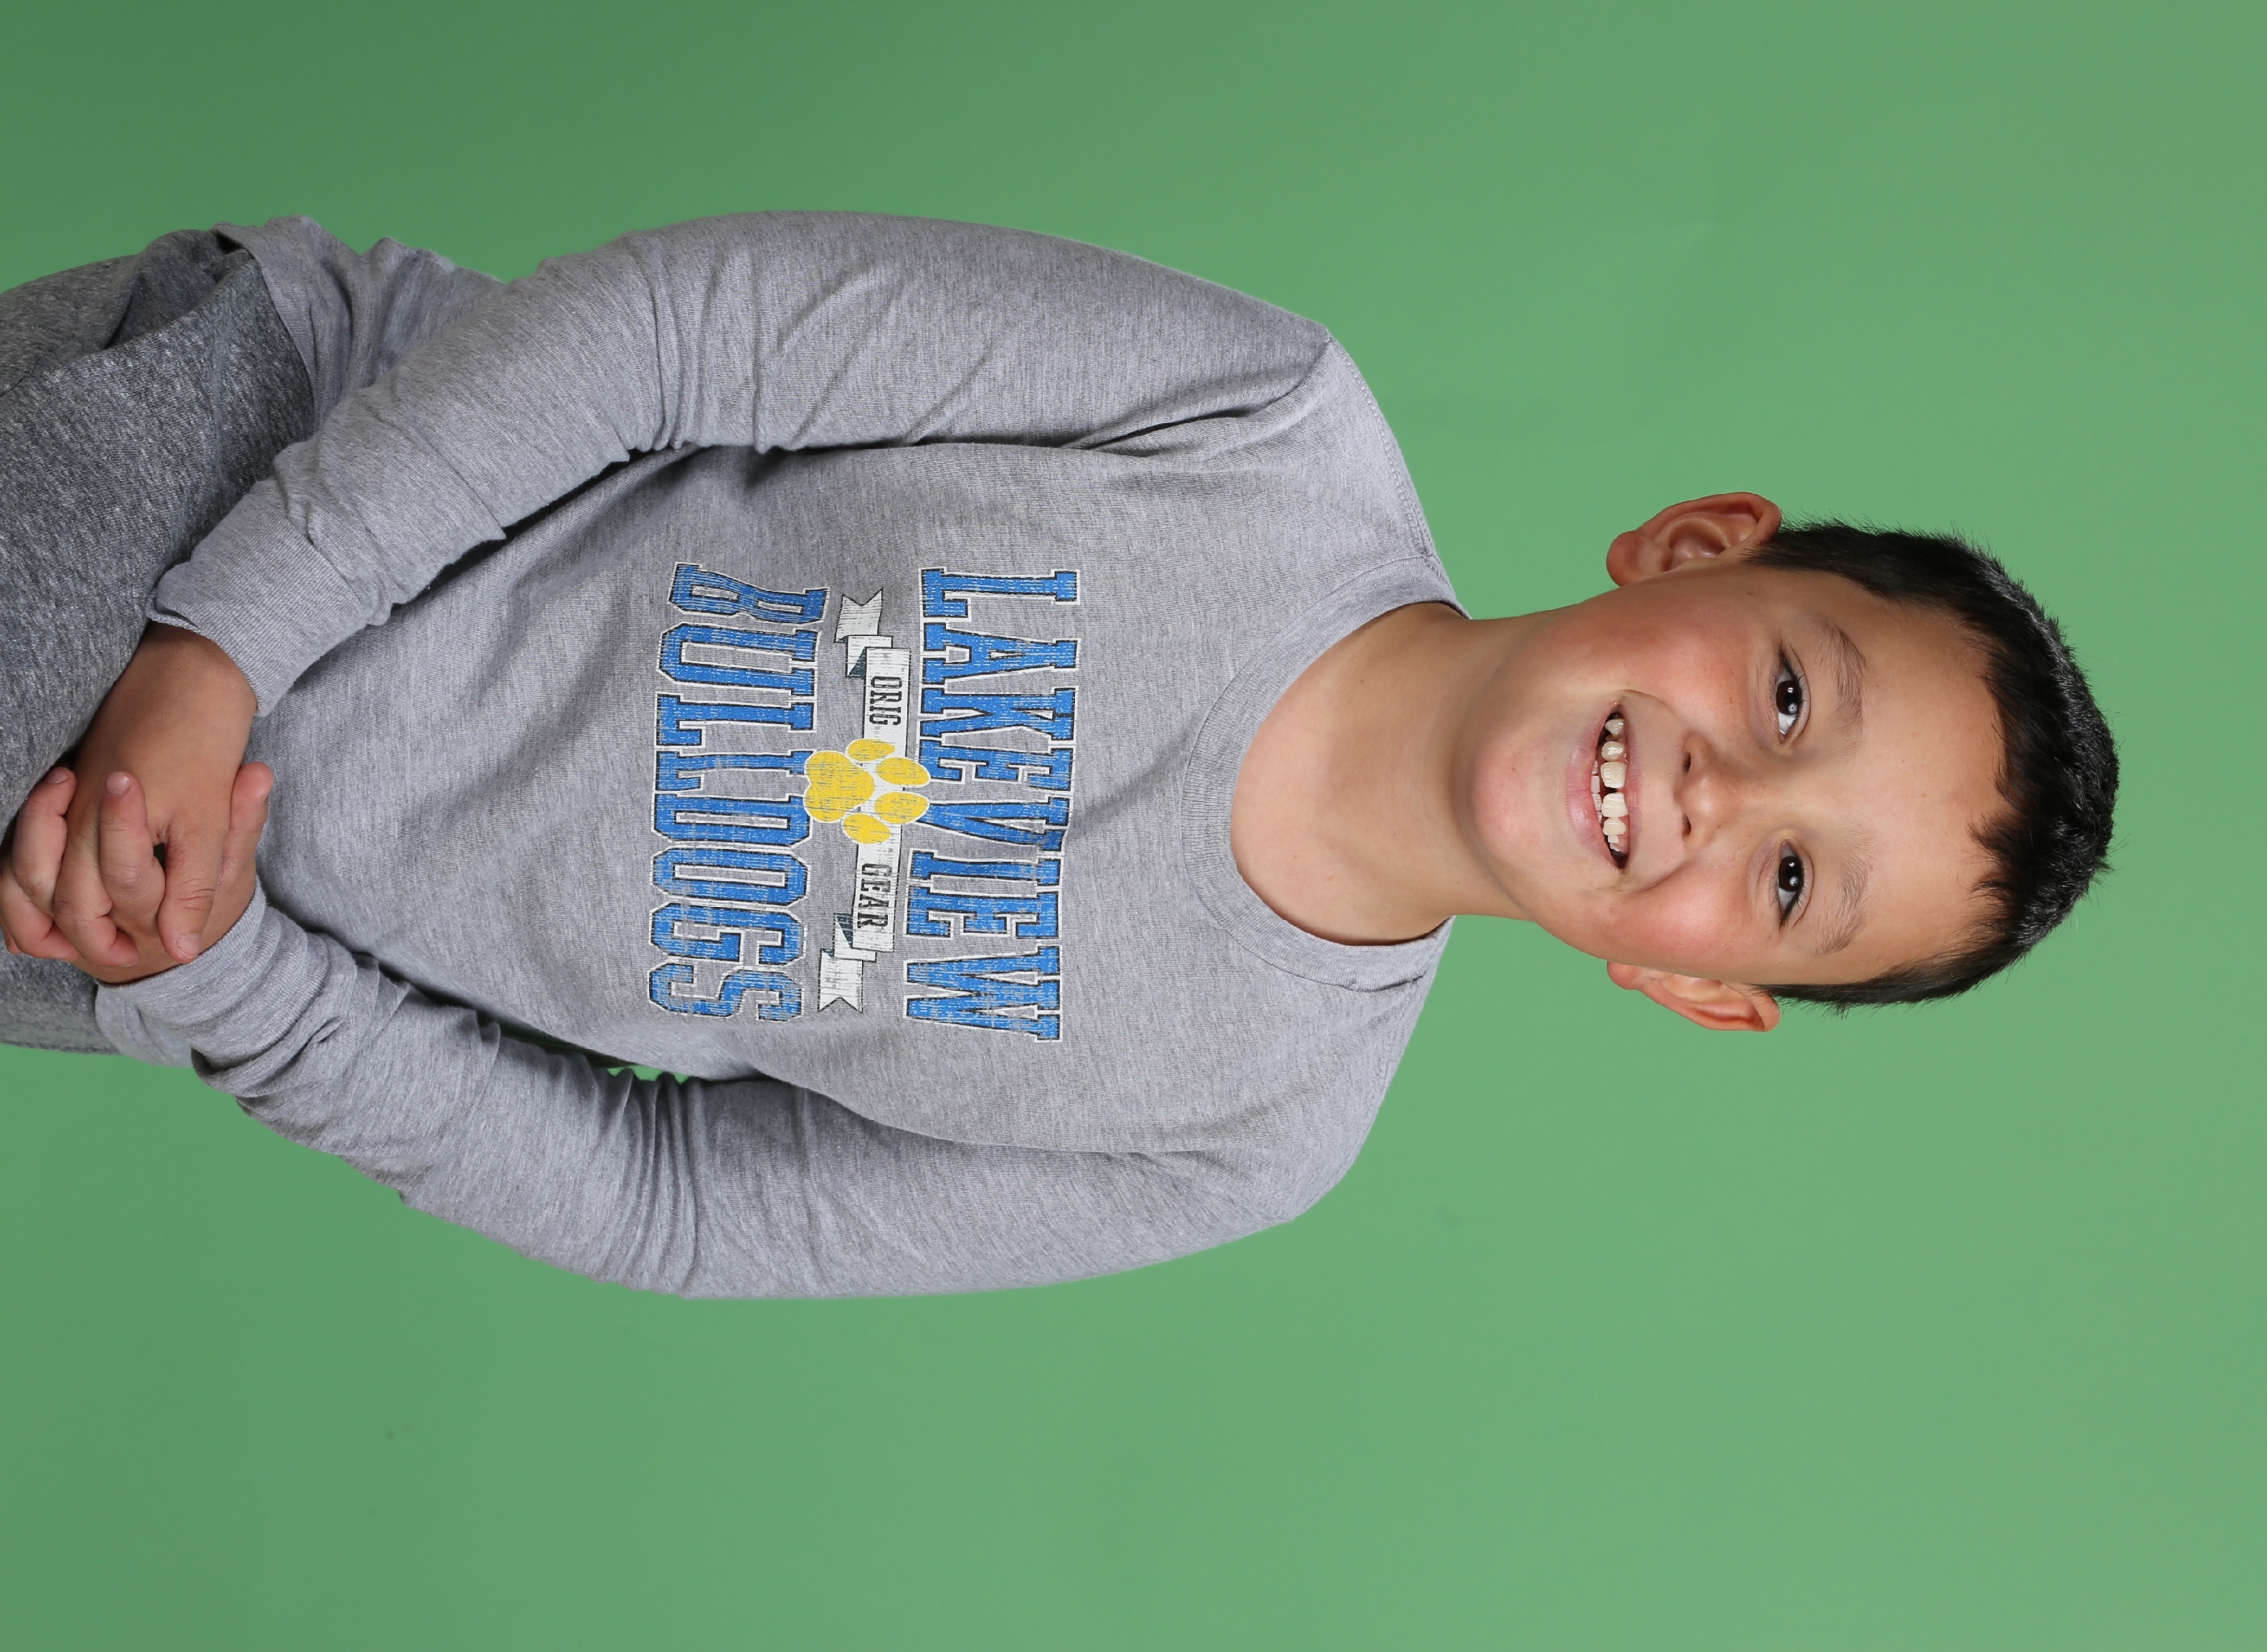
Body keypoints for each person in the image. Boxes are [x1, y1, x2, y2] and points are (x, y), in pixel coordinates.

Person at [0, 213, 2118, 1297]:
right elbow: (676, 332)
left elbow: (675, 1204)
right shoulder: (1262, 424)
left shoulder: (1253, 1136)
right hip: (240, 481)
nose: (1723, 794)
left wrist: (227, 986)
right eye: (1791, 697)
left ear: (1693, 983)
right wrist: (221, 642)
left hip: (161, 928)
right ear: (1702, 547)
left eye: (1789, 884)